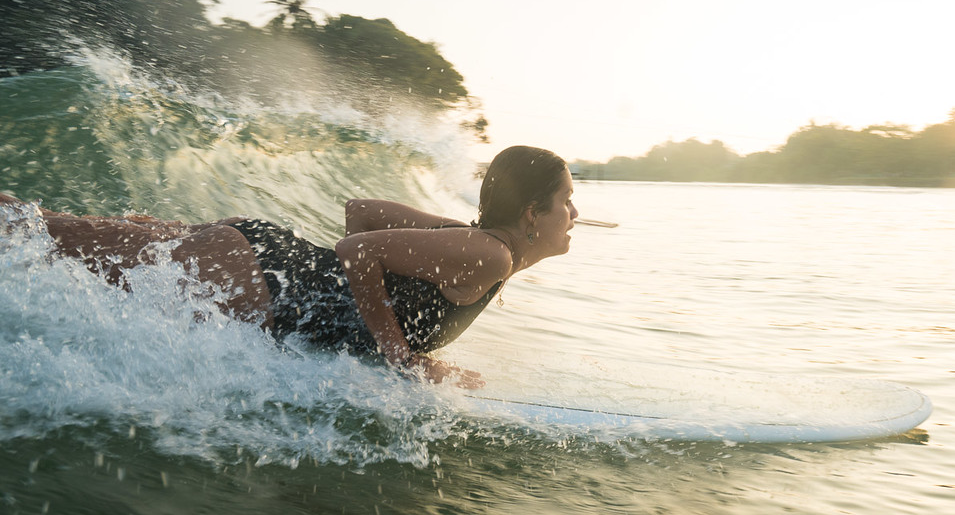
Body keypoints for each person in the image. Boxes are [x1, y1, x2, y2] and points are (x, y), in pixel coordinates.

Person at [0, 145, 577, 387]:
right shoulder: (491, 255)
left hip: (260, 261)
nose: (574, 214)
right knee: (46, 233)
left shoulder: (483, 249)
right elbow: (358, 246)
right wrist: (401, 359)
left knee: (45, 227)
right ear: (531, 214)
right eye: (566, 201)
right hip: (263, 281)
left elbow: (360, 213)